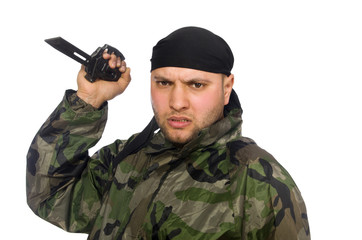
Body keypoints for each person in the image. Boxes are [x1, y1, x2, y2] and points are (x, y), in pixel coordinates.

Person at [26, 27, 310, 240]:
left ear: (226, 88)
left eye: (196, 85)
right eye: (163, 83)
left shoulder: (260, 182)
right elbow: (50, 197)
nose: (176, 102)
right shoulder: (127, 159)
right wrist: (87, 101)